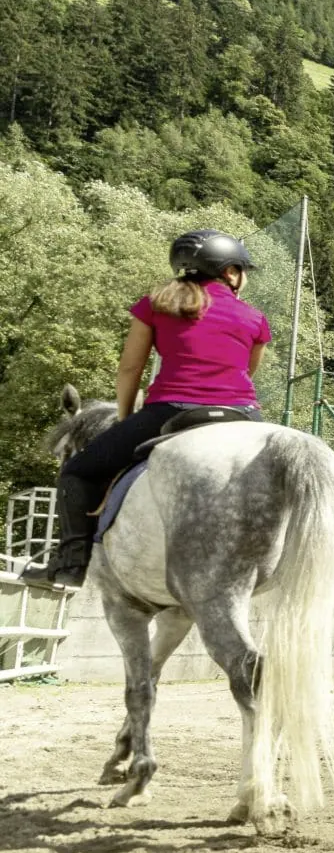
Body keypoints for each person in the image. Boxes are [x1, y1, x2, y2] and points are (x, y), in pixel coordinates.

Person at [25, 230, 270, 590]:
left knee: (77, 472)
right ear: (231, 272)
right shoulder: (254, 318)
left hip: (171, 409)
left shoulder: (155, 304)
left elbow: (130, 370)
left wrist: (126, 420)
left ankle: (71, 566)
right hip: (242, 413)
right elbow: (248, 371)